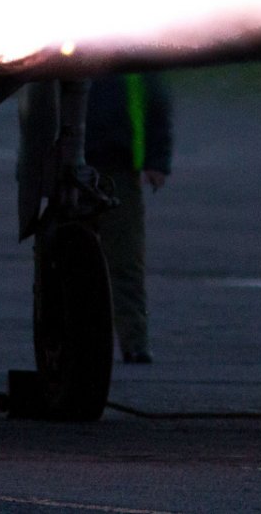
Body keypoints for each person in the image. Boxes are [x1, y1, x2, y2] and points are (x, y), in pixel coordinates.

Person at [83, 72, 173, 364]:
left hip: (116, 170)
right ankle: (92, 343)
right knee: (82, 261)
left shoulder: (134, 63)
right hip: (78, 170)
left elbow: (156, 106)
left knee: (125, 262)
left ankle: (134, 342)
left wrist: (156, 160)